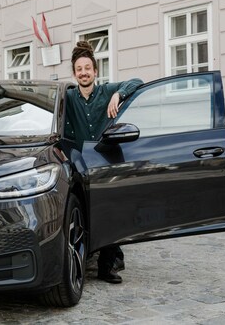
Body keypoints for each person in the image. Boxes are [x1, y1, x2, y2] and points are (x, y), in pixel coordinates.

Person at [65, 40, 143, 283]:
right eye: (79, 69)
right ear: (74, 73)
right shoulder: (68, 98)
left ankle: (107, 265)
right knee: (83, 214)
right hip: (78, 164)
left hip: (103, 162)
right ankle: (89, 254)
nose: (84, 72)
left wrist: (118, 94)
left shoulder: (106, 91)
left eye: (88, 68)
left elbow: (138, 82)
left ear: (95, 71)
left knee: (109, 211)